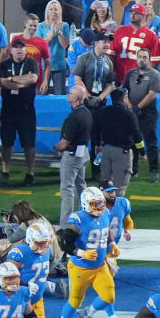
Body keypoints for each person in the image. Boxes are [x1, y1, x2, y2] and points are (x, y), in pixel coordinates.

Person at [57, 186, 127, 318]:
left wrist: (112, 244)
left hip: (100, 266)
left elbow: (106, 229)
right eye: (95, 204)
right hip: (80, 268)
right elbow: (62, 241)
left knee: (109, 296)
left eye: (101, 203)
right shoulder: (78, 219)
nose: (100, 207)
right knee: (74, 301)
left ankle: (88, 313)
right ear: (86, 204)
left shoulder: (105, 214)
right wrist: (81, 253)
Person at [4, 219, 54, 318]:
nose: (44, 246)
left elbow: (38, 272)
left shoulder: (46, 249)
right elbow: (5, 280)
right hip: (16, 302)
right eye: (40, 243)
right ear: (30, 240)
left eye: (46, 242)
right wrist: (25, 285)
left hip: (36, 302)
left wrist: (45, 282)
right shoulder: (19, 253)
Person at [0, 35, 39, 186]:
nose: (19, 50)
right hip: (8, 110)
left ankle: (30, 173)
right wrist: (22, 81)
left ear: (25, 50)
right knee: (6, 143)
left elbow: (33, 78)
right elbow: (1, 82)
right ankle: (5, 171)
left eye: (22, 47)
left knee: (29, 143)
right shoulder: (4, 64)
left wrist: (12, 79)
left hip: (26, 110)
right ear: (11, 50)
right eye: (17, 47)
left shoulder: (32, 62)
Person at [124, 47, 160, 182]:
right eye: (139, 57)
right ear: (136, 59)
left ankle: (154, 170)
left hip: (148, 114)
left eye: (145, 57)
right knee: (133, 142)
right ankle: (133, 169)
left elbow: (152, 94)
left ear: (149, 59)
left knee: (150, 142)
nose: (142, 59)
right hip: (131, 113)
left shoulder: (154, 74)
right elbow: (124, 92)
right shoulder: (130, 74)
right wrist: (131, 108)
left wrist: (137, 107)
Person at [91, 88, 141, 193]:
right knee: (120, 186)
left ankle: (104, 208)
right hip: (122, 152)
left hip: (105, 150)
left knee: (105, 183)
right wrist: (142, 152)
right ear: (124, 98)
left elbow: (95, 130)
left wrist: (96, 145)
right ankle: (116, 208)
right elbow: (136, 134)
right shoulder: (129, 114)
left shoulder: (102, 111)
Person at [55, 82, 92, 221]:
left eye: (71, 93)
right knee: (80, 186)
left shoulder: (74, 117)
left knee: (67, 190)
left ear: (76, 98)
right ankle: (84, 217)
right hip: (83, 154)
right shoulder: (87, 113)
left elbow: (65, 142)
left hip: (72, 156)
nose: (68, 95)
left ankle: (66, 223)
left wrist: (57, 148)